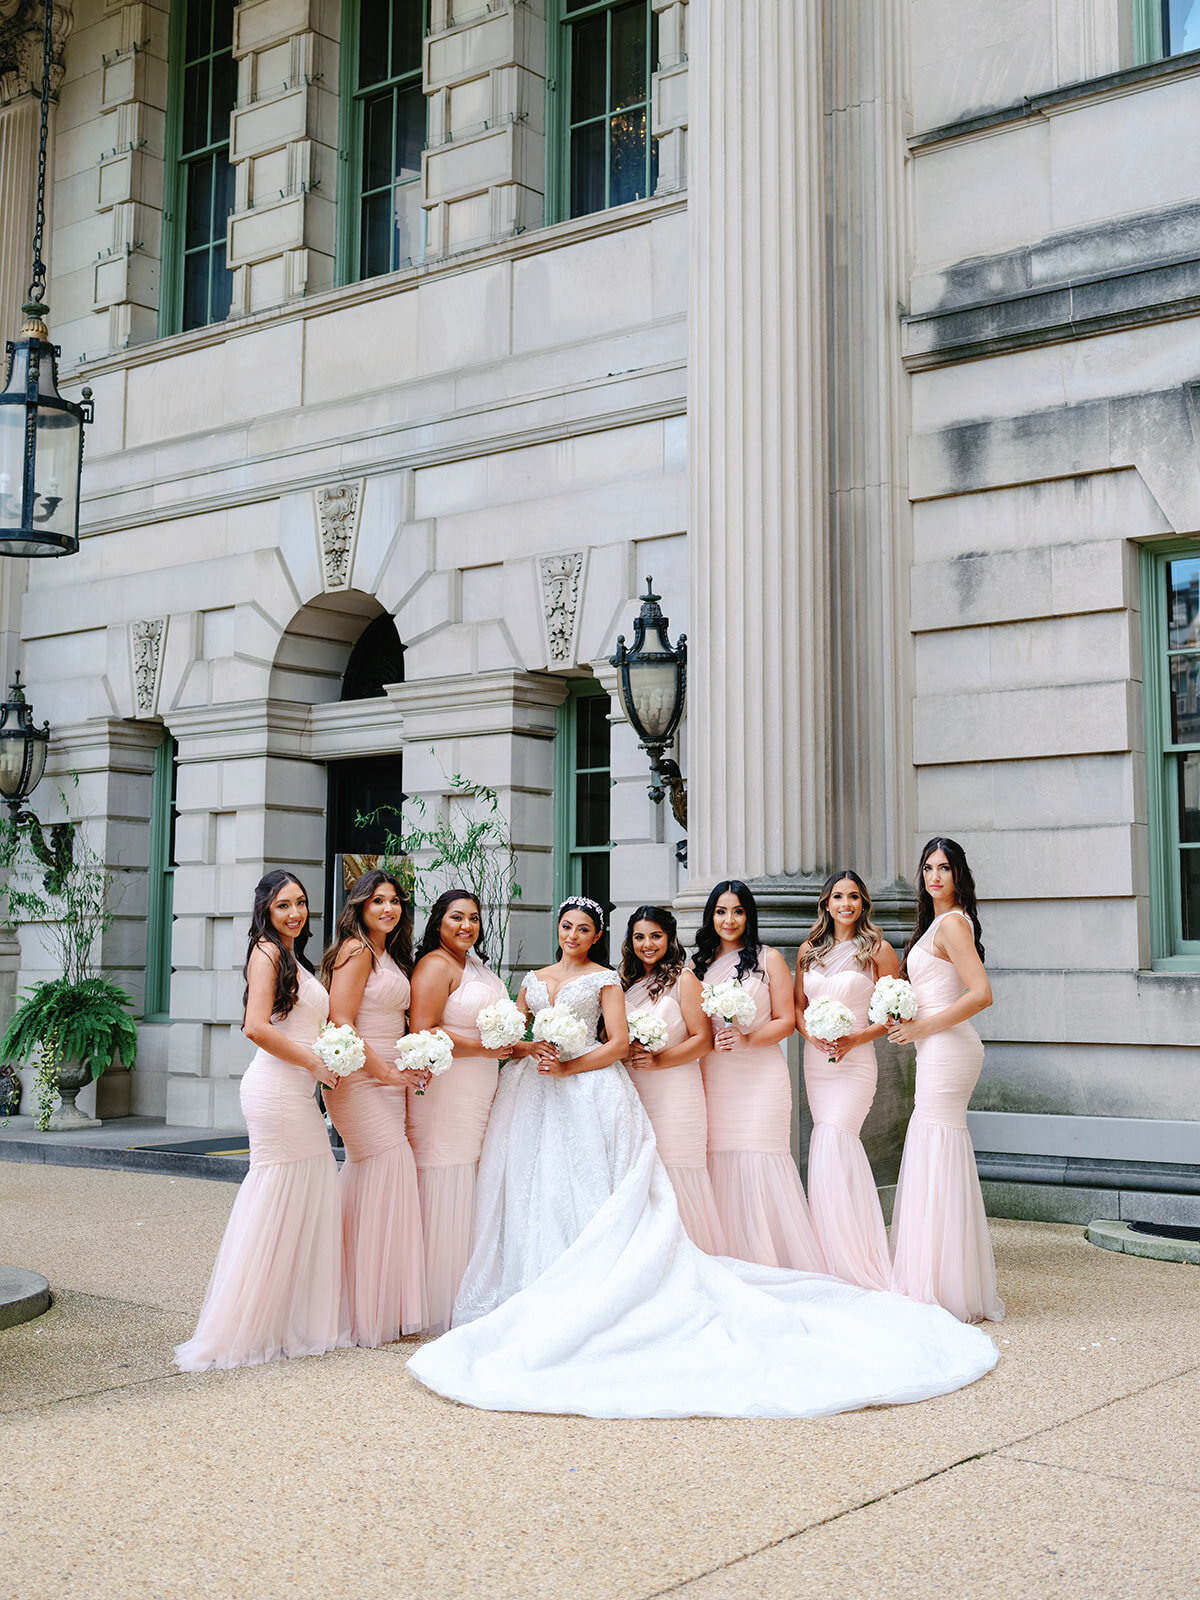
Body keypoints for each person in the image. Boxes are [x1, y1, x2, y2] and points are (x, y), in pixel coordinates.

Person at [406, 898, 999, 1420]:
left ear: (600, 935)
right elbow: (523, 1030)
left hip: (606, 1082)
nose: (574, 934)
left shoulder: (619, 979)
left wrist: (575, 1063)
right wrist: (526, 1050)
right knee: (533, 1185)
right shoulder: (538, 980)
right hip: (536, 1092)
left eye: (585, 927)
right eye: (567, 926)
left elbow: (624, 1042)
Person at [175, 871, 349, 1371]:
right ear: (266, 911)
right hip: (275, 1091)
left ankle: (284, 1319)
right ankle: (243, 1329)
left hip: (297, 1091)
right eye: (283, 905)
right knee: (276, 1195)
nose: (294, 913)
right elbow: (255, 1027)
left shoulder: (294, 957)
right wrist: (315, 1062)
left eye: (300, 903)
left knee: (306, 1190)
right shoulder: (267, 952)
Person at [888, 839, 1005, 1324]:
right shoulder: (937, 924)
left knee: (936, 1144)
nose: (935, 876)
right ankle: (938, 1277)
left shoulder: (954, 923)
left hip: (948, 1046)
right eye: (928, 868)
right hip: (936, 1044)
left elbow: (982, 994)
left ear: (958, 875)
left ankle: (943, 1286)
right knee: (934, 1146)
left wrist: (922, 1028)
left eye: (945, 868)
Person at [407, 889, 527, 1333]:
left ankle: (467, 1286)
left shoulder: (475, 965)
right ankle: (434, 1297)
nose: (466, 926)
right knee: (446, 1170)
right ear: (439, 920)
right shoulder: (434, 965)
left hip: (480, 1086)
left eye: (474, 918)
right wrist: (486, 1048)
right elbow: (423, 1029)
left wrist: (520, 1044)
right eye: (457, 917)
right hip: (448, 1087)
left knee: (470, 1172)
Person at [694, 881, 826, 1271]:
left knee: (761, 1154)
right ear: (711, 916)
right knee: (720, 1156)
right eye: (721, 911)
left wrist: (748, 1038)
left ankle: (770, 1260)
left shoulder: (768, 960)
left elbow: (786, 1021)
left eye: (737, 911)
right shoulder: (697, 966)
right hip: (716, 1075)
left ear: (748, 915)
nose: (729, 920)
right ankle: (728, 1259)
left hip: (761, 1076)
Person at [322, 868, 427, 1346]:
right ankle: (362, 1308)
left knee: (376, 1178)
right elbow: (341, 1022)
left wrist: (416, 1060)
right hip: (360, 1077)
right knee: (389, 1164)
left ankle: (367, 1301)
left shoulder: (390, 954)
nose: (388, 908)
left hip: (390, 1077)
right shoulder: (356, 950)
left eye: (395, 901)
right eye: (378, 900)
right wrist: (386, 1071)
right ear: (360, 906)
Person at [794, 871, 896, 1290]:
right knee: (823, 1138)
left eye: (854, 897)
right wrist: (812, 1036)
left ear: (863, 903)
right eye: (838, 896)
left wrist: (855, 1037)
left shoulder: (878, 951)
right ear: (827, 904)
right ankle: (827, 1252)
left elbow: (894, 1014)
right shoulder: (808, 951)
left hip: (856, 1060)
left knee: (837, 1138)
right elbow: (797, 1008)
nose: (846, 904)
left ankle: (856, 1254)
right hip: (818, 1059)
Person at [619, 905, 726, 1254]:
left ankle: (692, 1256)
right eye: (639, 937)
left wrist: (658, 1060)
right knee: (644, 1174)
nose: (647, 944)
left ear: (670, 938)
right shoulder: (623, 985)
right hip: (635, 1090)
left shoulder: (684, 980)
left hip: (676, 1091)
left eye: (655, 936)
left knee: (677, 1166)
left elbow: (703, 1040)